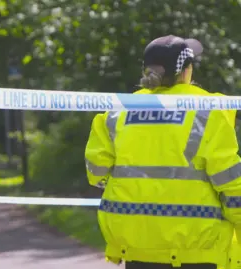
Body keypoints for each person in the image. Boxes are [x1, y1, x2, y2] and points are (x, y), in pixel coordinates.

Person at [84, 34, 241, 269]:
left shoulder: (120, 110)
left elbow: (96, 172)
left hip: (138, 247)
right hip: (197, 250)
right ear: (186, 71)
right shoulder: (208, 110)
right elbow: (232, 184)